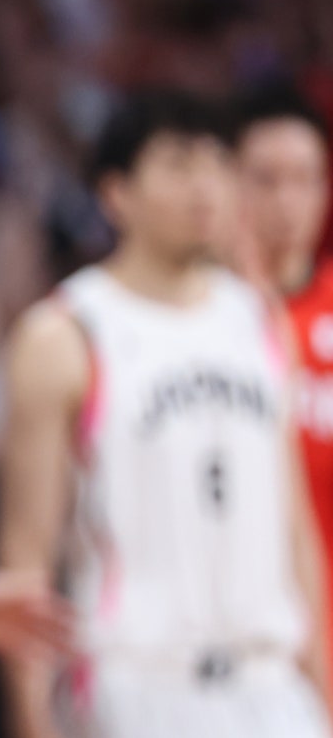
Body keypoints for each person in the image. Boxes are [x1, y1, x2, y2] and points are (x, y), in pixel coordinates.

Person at [0, 91, 330, 738]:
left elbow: (294, 530)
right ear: (115, 192)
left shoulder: (262, 322)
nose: (204, 185)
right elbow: (24, 551)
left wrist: (320, 686)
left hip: (272, 682)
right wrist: (31, 717)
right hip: (136, 686)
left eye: (215, 163)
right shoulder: (65, 332)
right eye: (178, 165)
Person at [235, 84, 333, 688]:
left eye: (305, 178)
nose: (287, 201)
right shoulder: (205, 326)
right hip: (252, 651)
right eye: (265, 180)